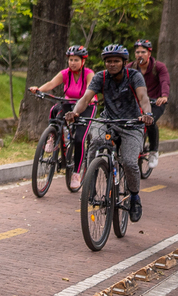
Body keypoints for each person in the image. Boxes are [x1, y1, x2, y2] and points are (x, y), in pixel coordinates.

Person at [65, 44, 153, 222]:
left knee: (129, 162)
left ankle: (135, 197)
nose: (112, 64)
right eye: (109, 61)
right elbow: (86, 98)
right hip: (108, 121)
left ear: (124, 62)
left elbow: (143, 97)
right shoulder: (101, 77)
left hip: (132, 124)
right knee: (95, 140)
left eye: (116, 61)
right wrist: (75, 112)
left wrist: (147, 114)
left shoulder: (134, 76)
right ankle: (91, 183)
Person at [28, 44, 93, 164]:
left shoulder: (89, 73)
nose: (73, 63)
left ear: (83, 61)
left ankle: (76, 172)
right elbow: (51, 83)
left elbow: (90, 90)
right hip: (69, 102)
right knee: (55, 109)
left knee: (79, 139)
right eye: (71, 60)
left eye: (76, 60)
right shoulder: (65, 73)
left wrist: (89, 99)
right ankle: (52, 136)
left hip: (85, 104)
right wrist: (39, 89)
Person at [129, 39, 170, 170]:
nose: (140, 55)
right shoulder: (130, 67)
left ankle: (153, 151)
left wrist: (163, 96)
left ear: (149, 53)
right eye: (137, 52)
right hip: (137, 102)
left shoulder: (158, 67)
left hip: (155, 102)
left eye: (143, 52)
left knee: (150, 121)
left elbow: (165, 81)